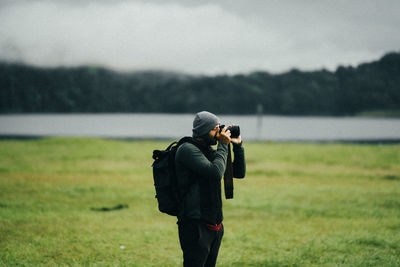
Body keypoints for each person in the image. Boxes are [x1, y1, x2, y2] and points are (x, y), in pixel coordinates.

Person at [175, 111, 246, 267]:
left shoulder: (208, 150)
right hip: (195, 224)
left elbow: (238, 173)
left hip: (214, 224)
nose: (219, 132)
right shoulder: (187, 149)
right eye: (215, 129)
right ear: (203, 130)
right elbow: (215, 173)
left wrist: (238, 147)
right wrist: (223, 145)